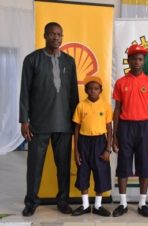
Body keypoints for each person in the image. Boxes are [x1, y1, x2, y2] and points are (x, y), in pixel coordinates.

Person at [19, 22, 79, 216]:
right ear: (45, 35)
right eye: (52, 34)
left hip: (64, 123)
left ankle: (63, 201)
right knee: (34, 165)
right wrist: (24, 120)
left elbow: (73, 94)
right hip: (38, 123)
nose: (56, 37)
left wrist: (76, 121)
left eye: (59, 34)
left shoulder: (69, 62)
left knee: (63, 166)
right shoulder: (32, 60)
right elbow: (25, 92)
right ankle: (31, 202)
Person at [112, 44, 148, 217]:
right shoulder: (121, 82)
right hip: (125, 127)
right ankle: (123, 203)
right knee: (123, 164)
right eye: (133, 59)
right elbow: (116, 110)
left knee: (144, 166)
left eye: (140, 59)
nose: (137, 62)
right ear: (128, 60)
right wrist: (115, 134)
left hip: (144, 127)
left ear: (143, 61)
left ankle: (142, 203)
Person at [71, 76, 112, 217]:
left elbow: (109, 128)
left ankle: (98, 205)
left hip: (100, 142)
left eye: (96, 88)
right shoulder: (81, 106)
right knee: (83, 171)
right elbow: (76, 129)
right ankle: (85, 205)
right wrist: (76, 151)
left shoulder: (105, 105)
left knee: (101, 172)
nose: (93, 91)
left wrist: (108, 149)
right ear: (86, 90)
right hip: (83, 142)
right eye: (90, 88)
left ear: (101, 90)